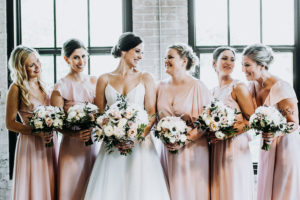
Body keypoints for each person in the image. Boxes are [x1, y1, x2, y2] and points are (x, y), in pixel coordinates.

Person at [84, 32, 170, 200]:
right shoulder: (104, 79)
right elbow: (100, 115)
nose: (140, 56)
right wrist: (112, 135)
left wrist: (135, 139)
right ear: (124, 50)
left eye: (142, 52)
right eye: (137, 51)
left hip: (141, 145)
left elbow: (152, 113)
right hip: (112, 146)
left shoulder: (146, 78)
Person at [242, 44, 300, 200]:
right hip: (267, 144)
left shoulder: (282, 88)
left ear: (262, 65)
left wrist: (275, 132)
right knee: (266, 187)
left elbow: (294, 123)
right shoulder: (251, 86)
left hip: (285, 145)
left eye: (247, 65)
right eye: (242, 65)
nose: (243, 70)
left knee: (283, 190)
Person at [157, 43, 211, 200]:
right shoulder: (159, 86)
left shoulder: (198, 86)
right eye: (165, 57)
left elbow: (206, 122)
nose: (166, 60)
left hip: (193, 150)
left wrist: (183, 140)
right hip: (167, 150)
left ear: (184, 61)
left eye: (170, 57)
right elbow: (153, 118)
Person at [6, 45, 58, 200]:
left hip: (50, 142)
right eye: (31, 65)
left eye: (38, 61)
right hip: (31, 144)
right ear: (21, 68)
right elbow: (10, 123)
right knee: (34, 187)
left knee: (50, 182)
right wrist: (37, 132)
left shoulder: (45, 86)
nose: (37, 67)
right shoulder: (16, 88)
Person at [50, 39, 99, 200]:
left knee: (92, 187)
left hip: (92, 143)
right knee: (70, 187)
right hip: (71, 145)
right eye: (76, 57)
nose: (81, 61)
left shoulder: (94, 81)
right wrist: (74, 135)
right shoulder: (60, 87)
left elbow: (101, 113)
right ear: (67, 59)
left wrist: (93, 126)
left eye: (84, 56)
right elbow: (56, 122)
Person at [210, 46, 255, 200]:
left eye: (232, 59)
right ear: (214, 63)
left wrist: (227, 134)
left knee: (234, 187)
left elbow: (252, 120)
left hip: (235, 146)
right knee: (220, 187)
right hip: (217, 147)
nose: (229, 62)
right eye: (224, 58)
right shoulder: (213, 91)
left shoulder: (238, 87)